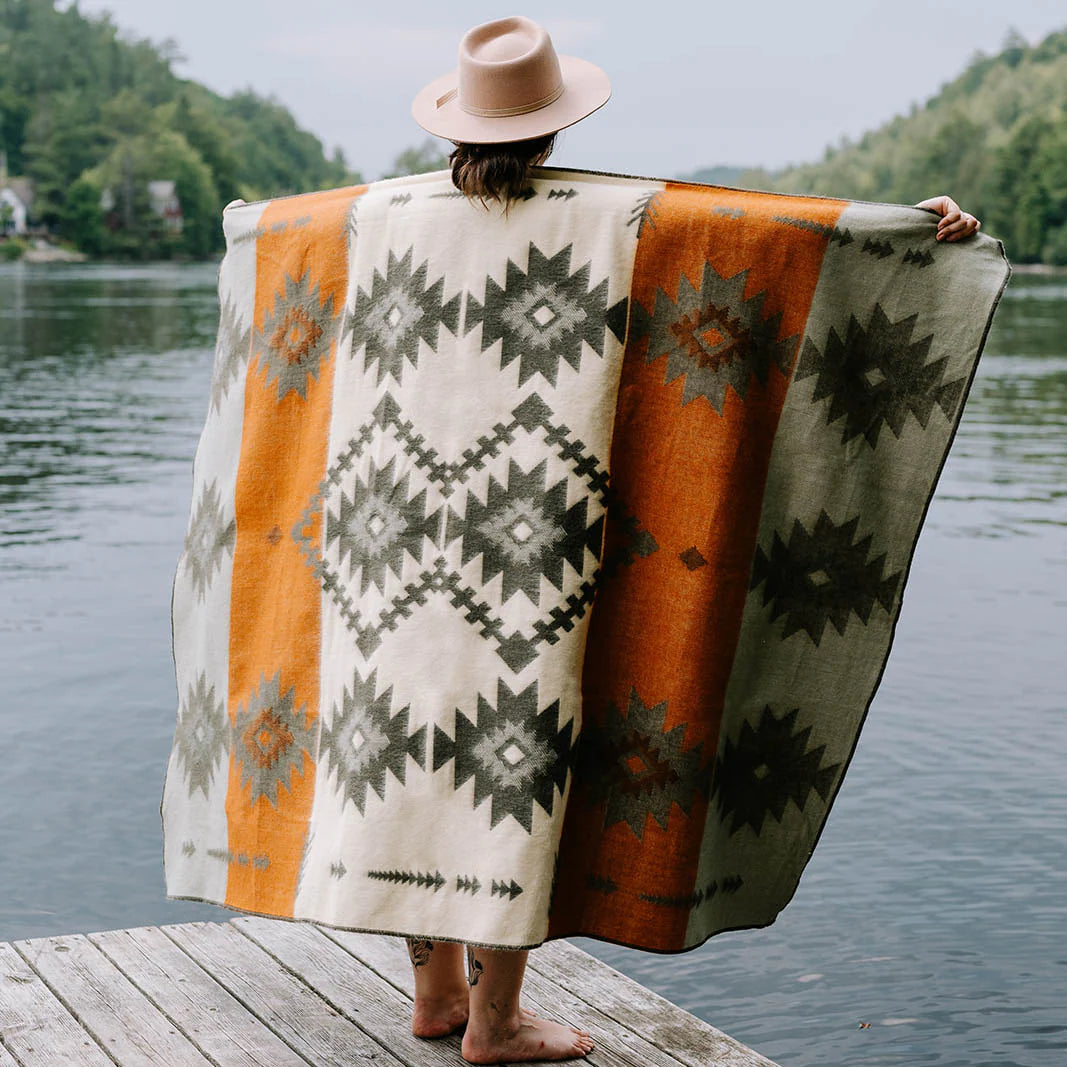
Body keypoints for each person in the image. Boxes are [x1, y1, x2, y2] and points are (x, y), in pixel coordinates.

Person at [403, 15, 981, 1064]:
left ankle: (438, 994)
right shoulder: (622, 215)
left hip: (417, 542)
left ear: (456, 125)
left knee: (441, 750)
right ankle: (495, 1021)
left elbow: (285, 246)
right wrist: (914, 225)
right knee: (520, 765)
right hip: (543, 549)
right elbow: (777, 237)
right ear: (551, 128)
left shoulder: (390, 218)